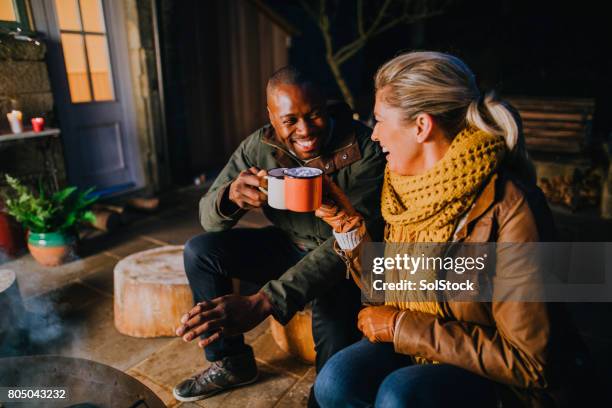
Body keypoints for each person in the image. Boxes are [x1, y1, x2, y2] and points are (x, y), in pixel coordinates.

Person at [313, 51, 594, 407]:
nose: (375, 134)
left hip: (503, 380)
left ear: (421, 126)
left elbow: (531, 361)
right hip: (422, 347)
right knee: (336, 381)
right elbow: (388, 293)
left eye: (380, 120)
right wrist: (347, 226)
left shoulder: (511, 207)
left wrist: (402, 327)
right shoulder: (404, 189)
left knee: (400, 395)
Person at [172, 66, 386, 404]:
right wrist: (230, 197)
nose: (305, 130)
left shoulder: (365, 149)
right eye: (290, 121)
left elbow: (348, 244)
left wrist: (264, 300)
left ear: (326, 104)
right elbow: (207, 217)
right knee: (201, 251)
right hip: (289, 244)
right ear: (271, 117)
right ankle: (231, 362)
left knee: (335, 351)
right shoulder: (259, 147)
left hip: (344, 262)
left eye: (315, 114)